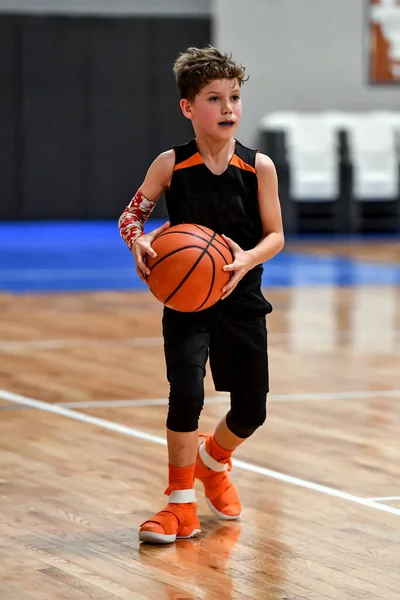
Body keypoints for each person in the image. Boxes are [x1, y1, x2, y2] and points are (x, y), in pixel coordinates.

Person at [118, 46, 284, 544]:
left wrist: (249, 258)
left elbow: (276, 235)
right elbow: (132, 216)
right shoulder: (170, 164)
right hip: (186, 302)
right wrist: (140, 241)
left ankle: (213, 462)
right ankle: (179, 506)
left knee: (252, 408)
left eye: (234, 97)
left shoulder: (260, 168)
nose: (229, 108)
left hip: (241, 296)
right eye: (215, 99)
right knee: (185, 395)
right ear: (188, 108)